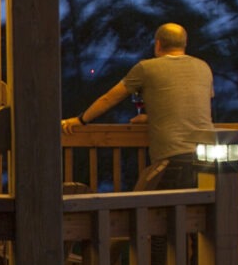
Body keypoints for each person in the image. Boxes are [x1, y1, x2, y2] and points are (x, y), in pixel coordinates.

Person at [64, 22, 215, 189]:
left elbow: (109, 98)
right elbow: (194, 104)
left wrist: (81, 120)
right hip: (207, 158)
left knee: (141, 209)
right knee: (199, 211)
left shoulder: (146, 68)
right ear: (185, 43)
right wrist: (153, 117)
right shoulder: (204, 67)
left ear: (158, 44)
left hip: (172, 158)